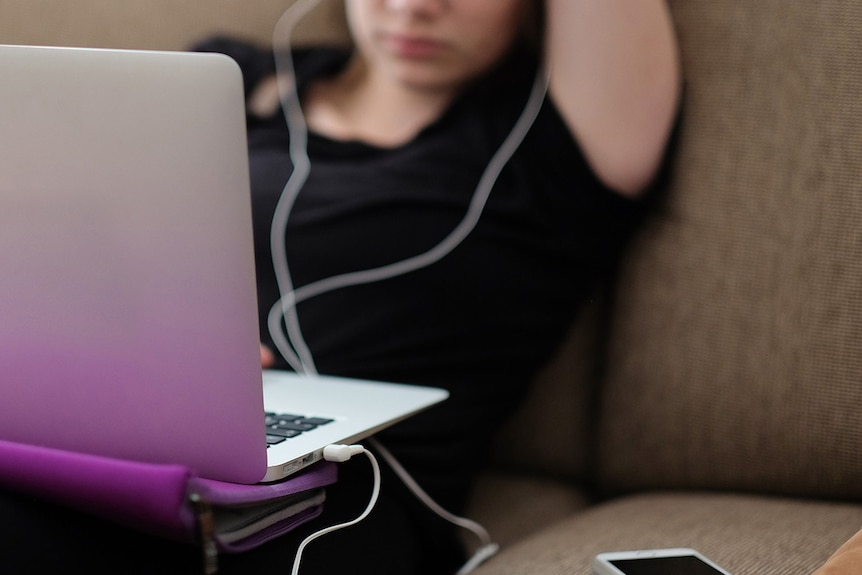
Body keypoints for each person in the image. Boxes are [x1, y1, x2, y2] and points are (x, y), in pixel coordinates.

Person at [0, 1, 680, 574]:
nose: (414, 6)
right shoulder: (230, 84)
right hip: (148, 426)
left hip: (351, 487)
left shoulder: (552, 141)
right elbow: (100, 262)